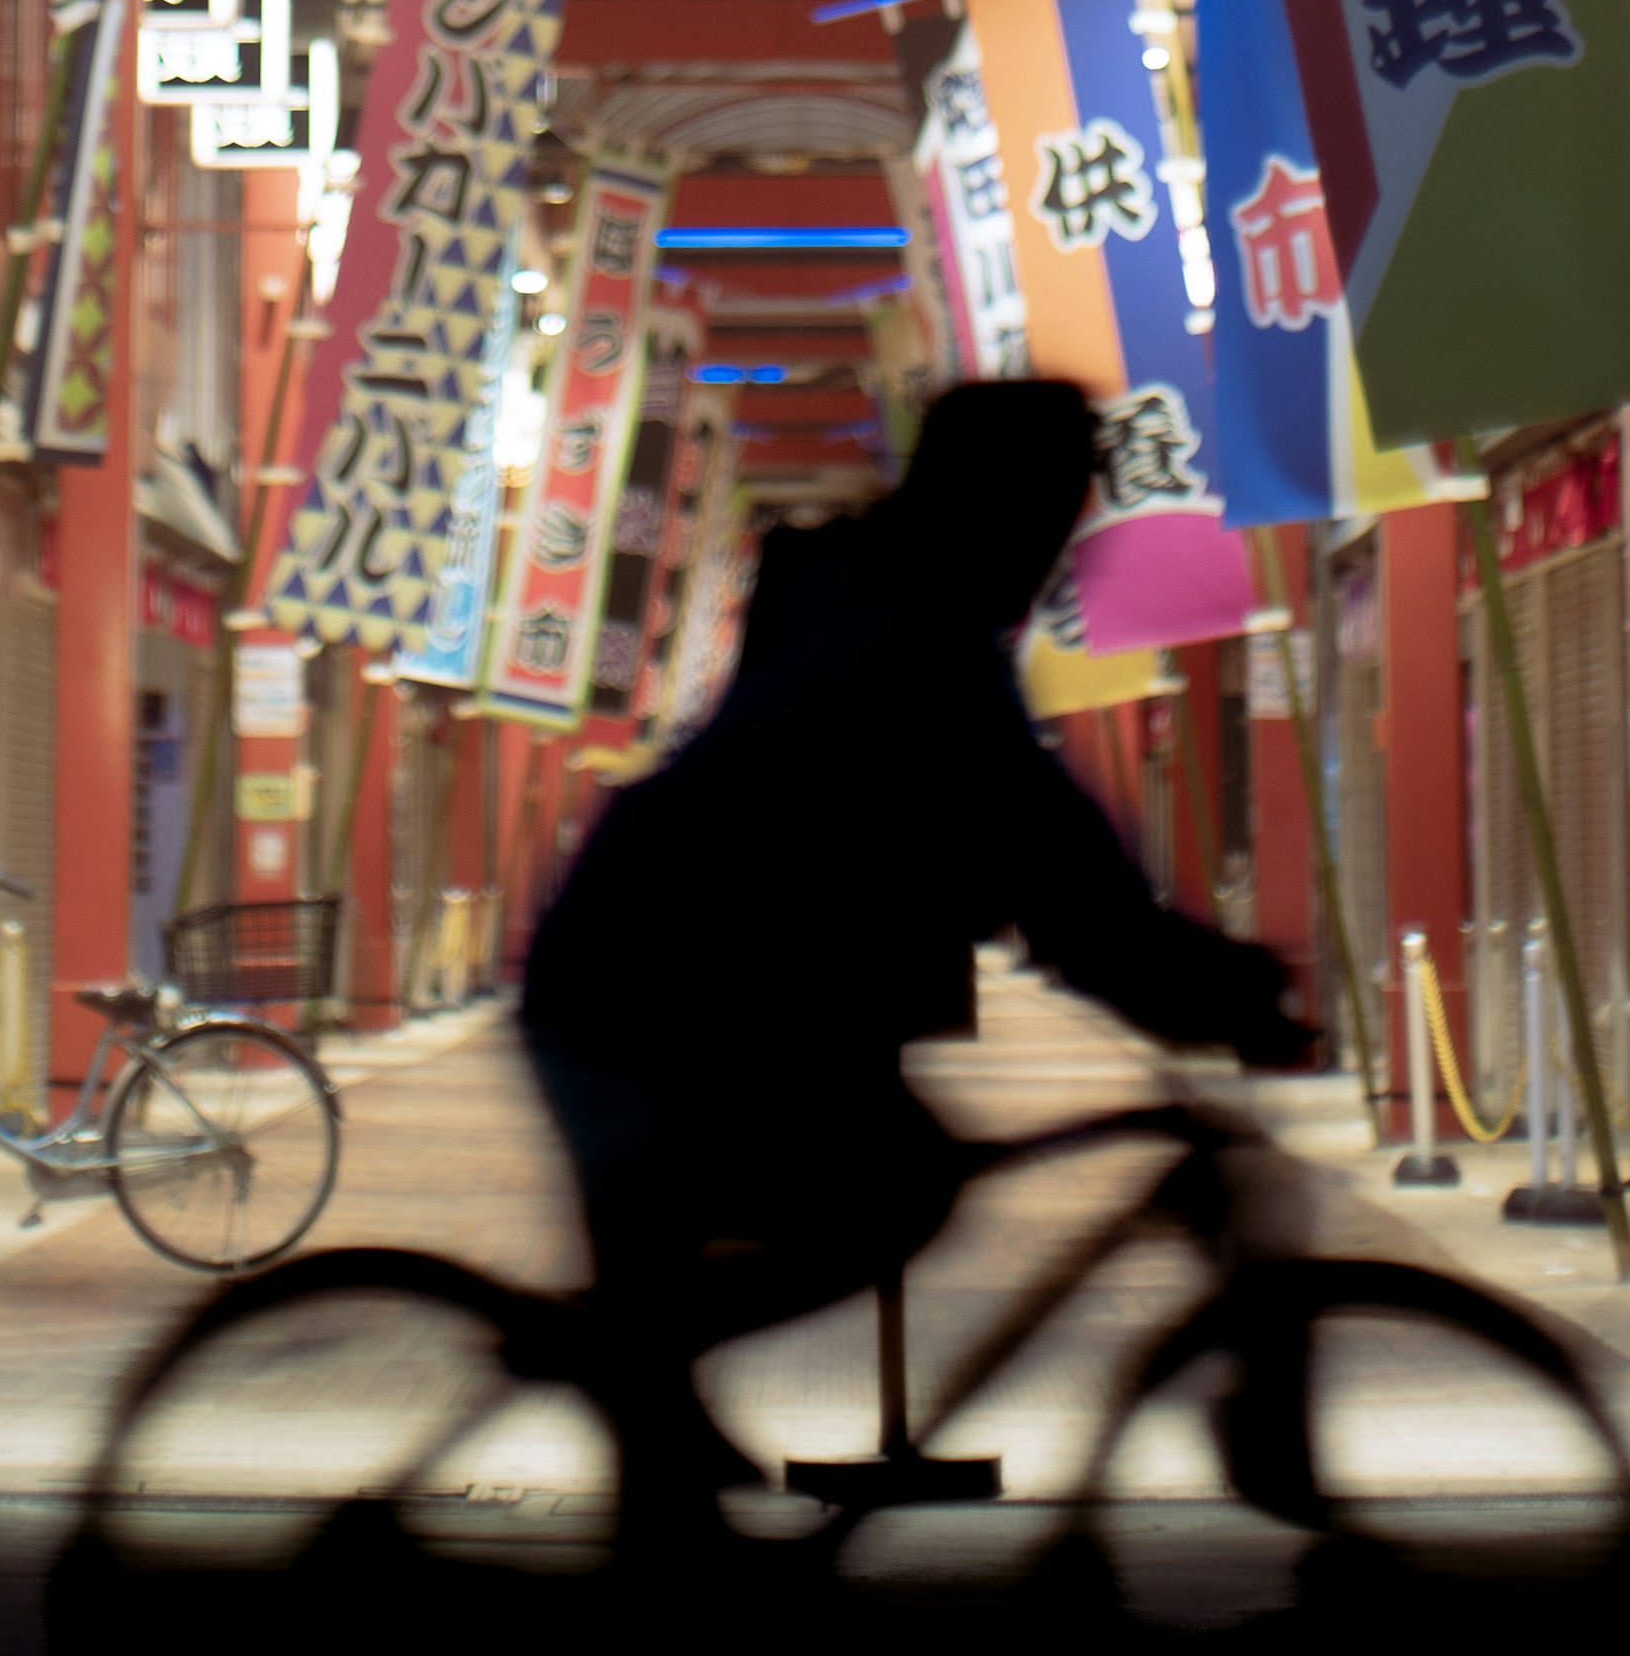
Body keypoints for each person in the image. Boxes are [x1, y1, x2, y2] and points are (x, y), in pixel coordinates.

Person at [517, 375, 1311, 1510]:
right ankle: (618, 1359)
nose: (1057, 554)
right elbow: (1067, 888)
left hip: (651, 976)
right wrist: (1225, 994)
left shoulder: (863, 595)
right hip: (652, 1001)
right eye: (1053, 518)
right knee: (887, 1190)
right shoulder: (919, 648)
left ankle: (636, 1378)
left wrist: (1184, 980)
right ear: (996, 509)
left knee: (712, 1379)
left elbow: (1049, 871)